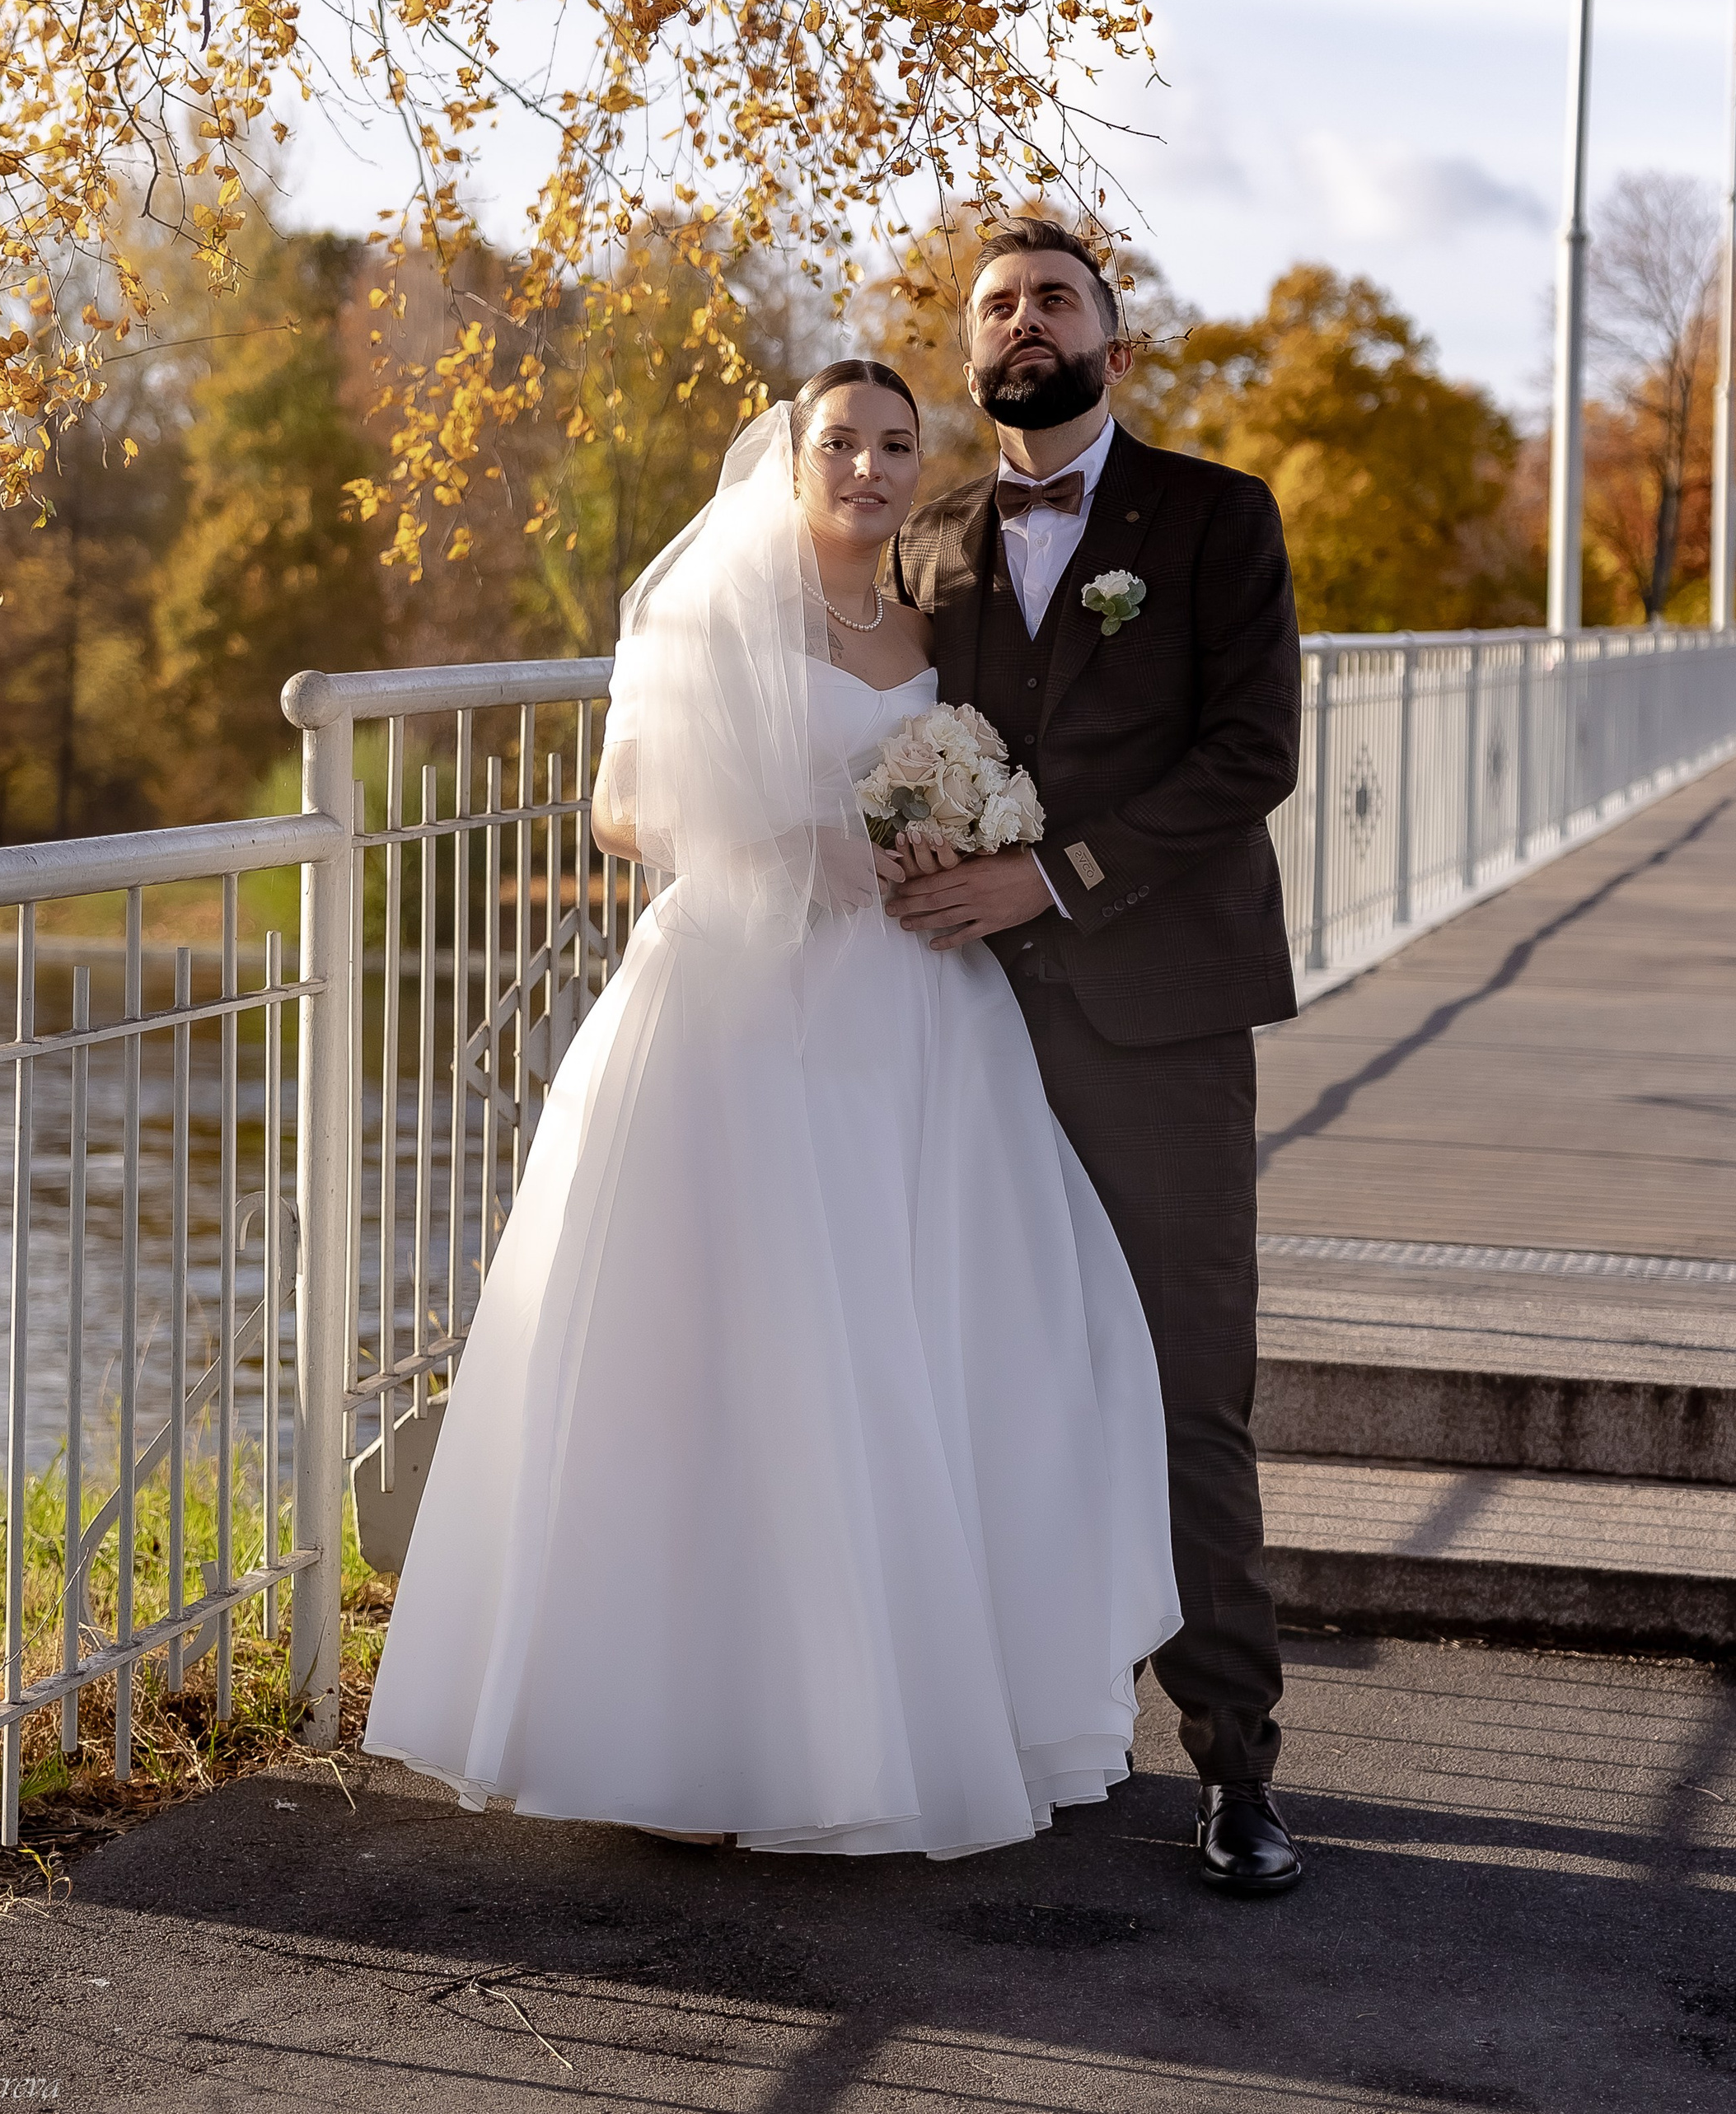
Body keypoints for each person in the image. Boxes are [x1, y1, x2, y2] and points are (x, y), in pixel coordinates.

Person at [364, 362, 1181, 1858]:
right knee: (746, 1345)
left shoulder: (928, 623)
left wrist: (946, 832)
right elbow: (623, 811)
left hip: (918, 1009)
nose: (868, 468)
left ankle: (907, 1706)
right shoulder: (710, 610)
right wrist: (804, 844)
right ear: (793, 457)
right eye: (841, 443)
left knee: (936, 1330)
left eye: (893, 444)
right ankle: (714, 1719)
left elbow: (966, 780)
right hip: (743, 1000)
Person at [884, 222, 1306, 1897]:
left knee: (1187, 1391)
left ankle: (1238, 1772)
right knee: (973, 1378)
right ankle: (1012, 1727)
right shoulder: (922, 543)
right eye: (995, 306)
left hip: (1158, 1017)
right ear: (971, 353)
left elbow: (1252, 750)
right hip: (960, 1031)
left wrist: (1056, 875)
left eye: (1054, 298)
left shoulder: (1214, 516)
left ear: (1111, 347)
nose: (1022, 322)